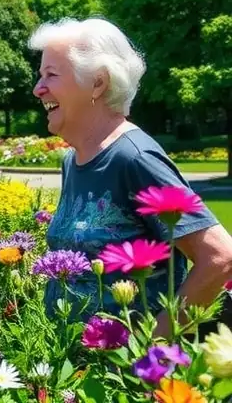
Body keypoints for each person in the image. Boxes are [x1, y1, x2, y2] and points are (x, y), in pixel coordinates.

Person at [30, 17, 232, 329]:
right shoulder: (74, 160)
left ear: (98, 82)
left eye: (51, 75)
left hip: (124, 372)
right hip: (75, 368)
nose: (37, 88)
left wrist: (153, 348)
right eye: (41, 75)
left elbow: (219, 257)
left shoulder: (134, 158)